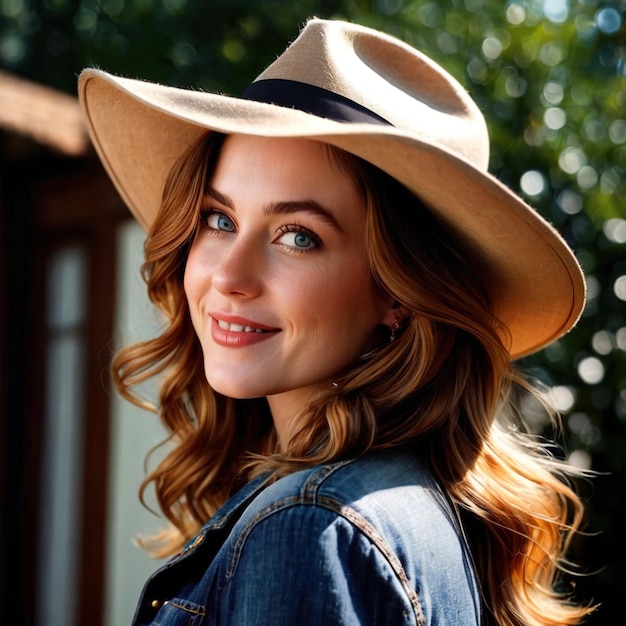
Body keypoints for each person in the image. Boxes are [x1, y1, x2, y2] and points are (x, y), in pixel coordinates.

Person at [78, 18, 594, 626]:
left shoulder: (311, 530)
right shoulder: (409, 504)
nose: (229, 276)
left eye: (298, 236)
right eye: (220, 220)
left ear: (398, 292)